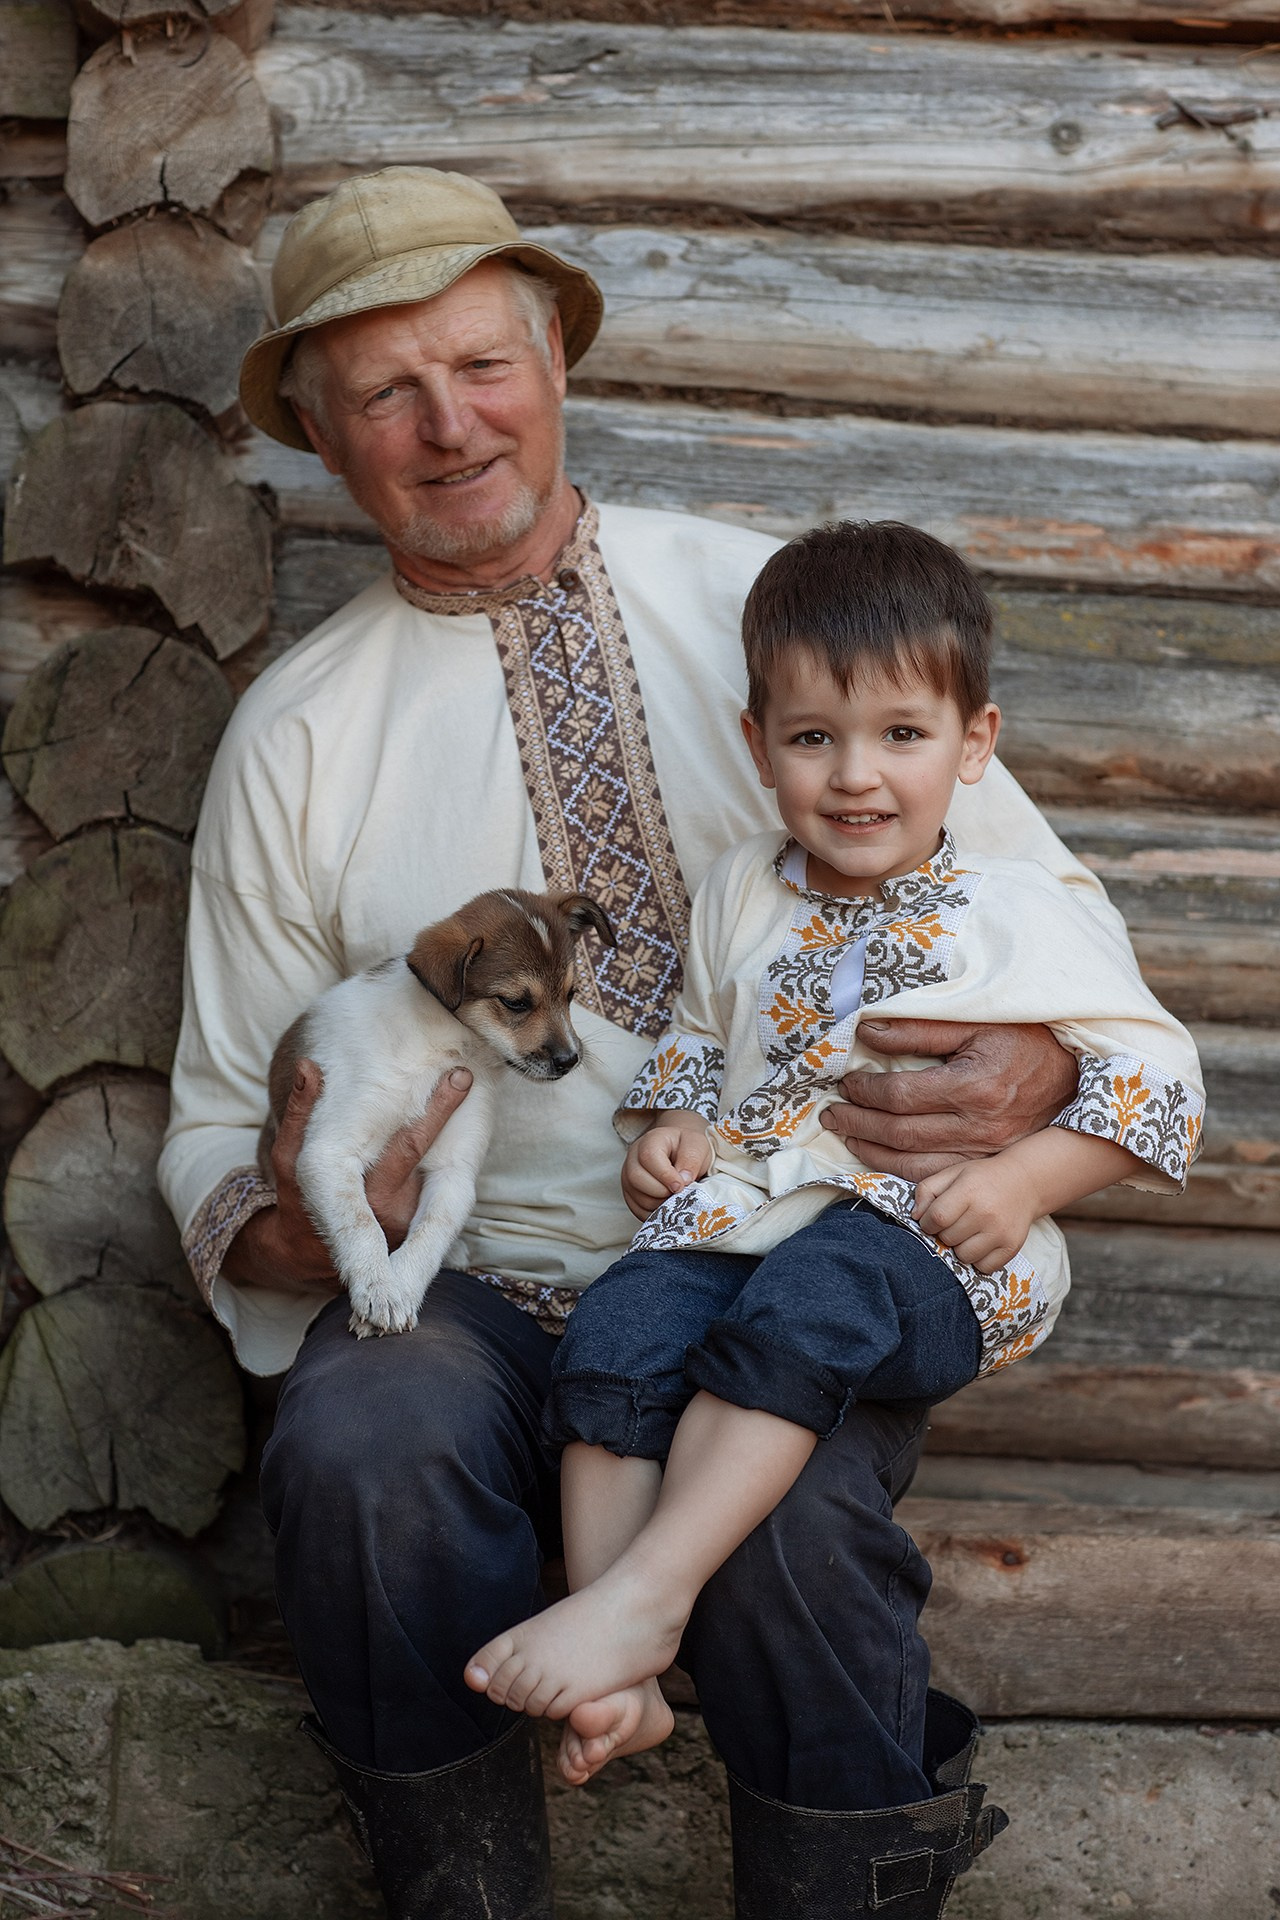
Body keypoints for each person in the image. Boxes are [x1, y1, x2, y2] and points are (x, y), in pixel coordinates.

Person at [160, 165, 1147, 1919]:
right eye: (385, 391)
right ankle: (462, 1890)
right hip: (464, 1282)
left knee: (792, 1531)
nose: (448, 424)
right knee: (360, 1449)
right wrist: (316, 1216)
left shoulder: (774, 613)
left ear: (555, 364)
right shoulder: (297, 734)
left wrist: (1043, 1083)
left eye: (480, 364)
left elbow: (1051, 926)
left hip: (776, 1254)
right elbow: (204, 1126)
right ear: (319, 435)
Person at [461, 520, 1203, 1796]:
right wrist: (673, 1133)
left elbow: (1161, 1084)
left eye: (901, 735)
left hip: (932, 1250)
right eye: (813, 738)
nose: (855, 777)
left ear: (974, 743)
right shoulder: (746, 887)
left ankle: (649, 1593)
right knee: (626, 1314)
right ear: (757, 746)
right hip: (755, 1211)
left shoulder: (1014, 909)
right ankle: (621, 1671)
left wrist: (1024, 1180)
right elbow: (704, 1034)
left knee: (814, 1296)